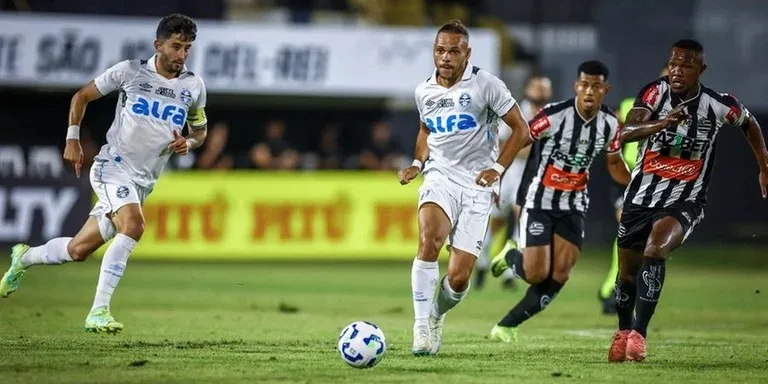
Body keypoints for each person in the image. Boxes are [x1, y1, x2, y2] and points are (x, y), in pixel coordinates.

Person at [0, 14, 208, 334]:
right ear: (159, 45)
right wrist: (72, 138)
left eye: (187, 48)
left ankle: (24, 258)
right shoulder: (130, 71)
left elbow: (200, 130)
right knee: (134, 225)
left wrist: (189, 143)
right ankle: (98, 311)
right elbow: (81, 96)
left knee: (77, 251)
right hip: (112, 166)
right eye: (176, 46)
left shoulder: (193, 86)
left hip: (143, 181)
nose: (181, 55)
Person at [609, 39, 768, 362]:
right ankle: (623, 330)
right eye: (673, 64)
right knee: (626, 274)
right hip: (640, 198)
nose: (677, 71)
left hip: (686, 200)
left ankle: (639, 334)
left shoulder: (719, 105)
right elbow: (626, 132)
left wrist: (764, 166)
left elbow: (749, 124)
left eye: (686, 65)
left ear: (701, 70)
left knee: (656, 249)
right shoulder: (654, 93)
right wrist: (662, 123)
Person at [398, 19, 531, 356]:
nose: (445, 57)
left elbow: (521, 130)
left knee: (458, 279)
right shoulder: (424, 90)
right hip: (439, 175)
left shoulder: (487, 85)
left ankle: (436, 314)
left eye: (453, 51)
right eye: (440, 50)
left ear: (467, 53)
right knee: (429, 240)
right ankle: (420, 326)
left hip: (476, 184)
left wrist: (497, 168)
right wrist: (417, 163)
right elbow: (425, 130)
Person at [487, 60, 631, 342]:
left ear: (605, 89)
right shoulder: (553, 115)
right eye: (584, 85)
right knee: (536, 273)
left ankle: (505, 326)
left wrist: (636, 185)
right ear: (576, 86)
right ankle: (511, 256)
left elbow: (614, 163)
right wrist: (496, 171)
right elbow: (521, 137)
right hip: (540, 202)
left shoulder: (610, 124)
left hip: (574, 205)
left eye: (596, 86)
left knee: (561, 273)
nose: (589, 91)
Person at [597, 66, 670, 315]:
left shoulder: (682, 113)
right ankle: (611, 291)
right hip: (626, 180)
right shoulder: (633, 104)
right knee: (627, 233)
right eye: (665, 79)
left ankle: (620, 289)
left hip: (655, 182)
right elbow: (612, 133)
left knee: (646, 239)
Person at [475, 75, 553, 291]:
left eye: (544, 89)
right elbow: (502, 145)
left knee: (523, 220)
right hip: (509, 173)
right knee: (496, 223)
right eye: (537, 88)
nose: (541, 93)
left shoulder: (551, 114)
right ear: (529, 89)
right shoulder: (516, 112)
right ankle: (482, 263)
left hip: (533, 176)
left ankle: (509, 272)